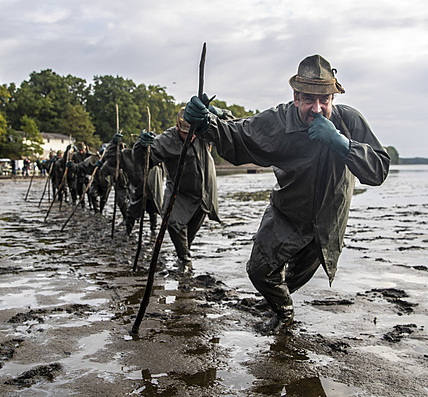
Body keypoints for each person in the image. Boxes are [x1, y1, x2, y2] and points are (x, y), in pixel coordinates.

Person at [184, 54, 390, 334]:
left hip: (326, 223)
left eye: (324, 100)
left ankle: (277, 305)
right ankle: (284, 314)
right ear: (295, 96)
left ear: (333, 98)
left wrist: (341, 144)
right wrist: (206, 123)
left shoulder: (349, 121)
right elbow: (239, 137)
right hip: (287, 214)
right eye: (308, 99)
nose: (316, 109)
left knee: (293, 279)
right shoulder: (278, 121)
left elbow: (378, 169)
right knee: (259, 270)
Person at [135, 107, 225, 273]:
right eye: (185, 133)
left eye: (192, 133)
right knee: (173, 222)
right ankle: (185, 260)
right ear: (177, 127)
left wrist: (219, 114)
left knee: (189, 233)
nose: (190, 137)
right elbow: (145, 162)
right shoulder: (166, 139)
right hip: (180, 192)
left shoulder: (203, 131)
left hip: (205, 191)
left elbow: (230, 129)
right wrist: (141, 147)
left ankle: (183, 252)